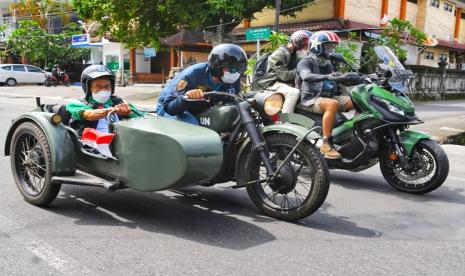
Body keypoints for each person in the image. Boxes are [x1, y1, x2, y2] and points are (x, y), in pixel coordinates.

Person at [156, 43, 247, 124]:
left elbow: (232, 101)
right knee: (194, 126)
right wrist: (186, 97)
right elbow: (169, 107)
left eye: (238, 69)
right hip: (170, 108)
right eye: (230, 68)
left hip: (199, 108)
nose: (235, 73)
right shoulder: (193, 74)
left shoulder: (233, 79)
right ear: (216, 67)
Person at [296, 30, 354, 159]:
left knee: (358, 99)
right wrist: (328, 76)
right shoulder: (306, 62)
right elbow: (306, 76)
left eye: (333, 46)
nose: (332, 49)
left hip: (328, 96)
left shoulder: (328, 63)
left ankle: (356, 133)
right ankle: (326, 143)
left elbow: (338, 77)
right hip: (310, 99)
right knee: (332, 104)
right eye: (328, 46)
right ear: (317, 46)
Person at [66, 65, 143, 134]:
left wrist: (127, 112)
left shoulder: (118, 101)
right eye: (98, 87)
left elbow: (141, 116)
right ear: (88, 88)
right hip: (90, 145)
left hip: (119, 143)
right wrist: (113, 110)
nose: (103, 90)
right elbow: (90, 114)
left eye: (107, 86)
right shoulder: (76, 104)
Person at [252, 30, 310, 113]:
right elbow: (284, 76)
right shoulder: (279, 54)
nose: (306, 48)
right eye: (305, 46)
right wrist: (302, 70)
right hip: (273, 83)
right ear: (299, 43)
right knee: (293, 92)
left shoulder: (295, 54)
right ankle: (285, 121)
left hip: (288, 83)